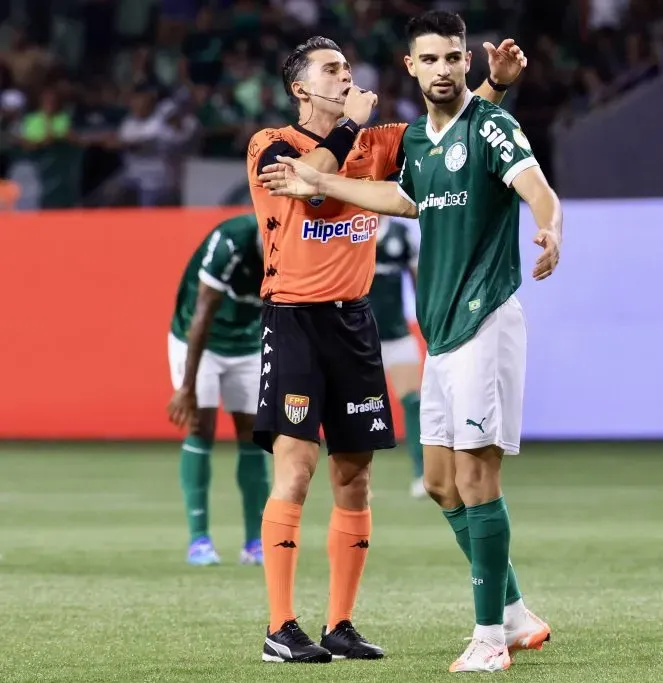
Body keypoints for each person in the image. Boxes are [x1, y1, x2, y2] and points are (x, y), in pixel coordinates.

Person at [258, 10, 561, 674]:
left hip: (369, 322)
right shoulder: (272, 142)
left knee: (360, 475)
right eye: (331, 70)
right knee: (323, 471)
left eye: (348, 67)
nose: (347, 76)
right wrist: (348, 129)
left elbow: (457, 133)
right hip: (298, 320)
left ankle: (362, 624)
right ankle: (281, 624)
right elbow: (310, 185)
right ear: (301, 89)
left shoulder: (386, 138)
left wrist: (495, 89)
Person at [166, 213, 268, 567]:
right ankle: (199, 540)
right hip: (199, 342)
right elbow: (203, 312)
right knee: (201, 427)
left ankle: (255, 542)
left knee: (255, 434)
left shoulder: (294, 247)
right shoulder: (230, 244)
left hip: (248, 343)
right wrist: (186, 387)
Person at [367, 216, 428, 498]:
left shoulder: (401, 234)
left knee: (414, 401)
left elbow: (419, 282)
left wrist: (429, 321)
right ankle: (360, 480)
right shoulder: (352, 228)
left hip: (397, 334)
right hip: (359, 339)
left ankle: (422, 474)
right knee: (359, 408)